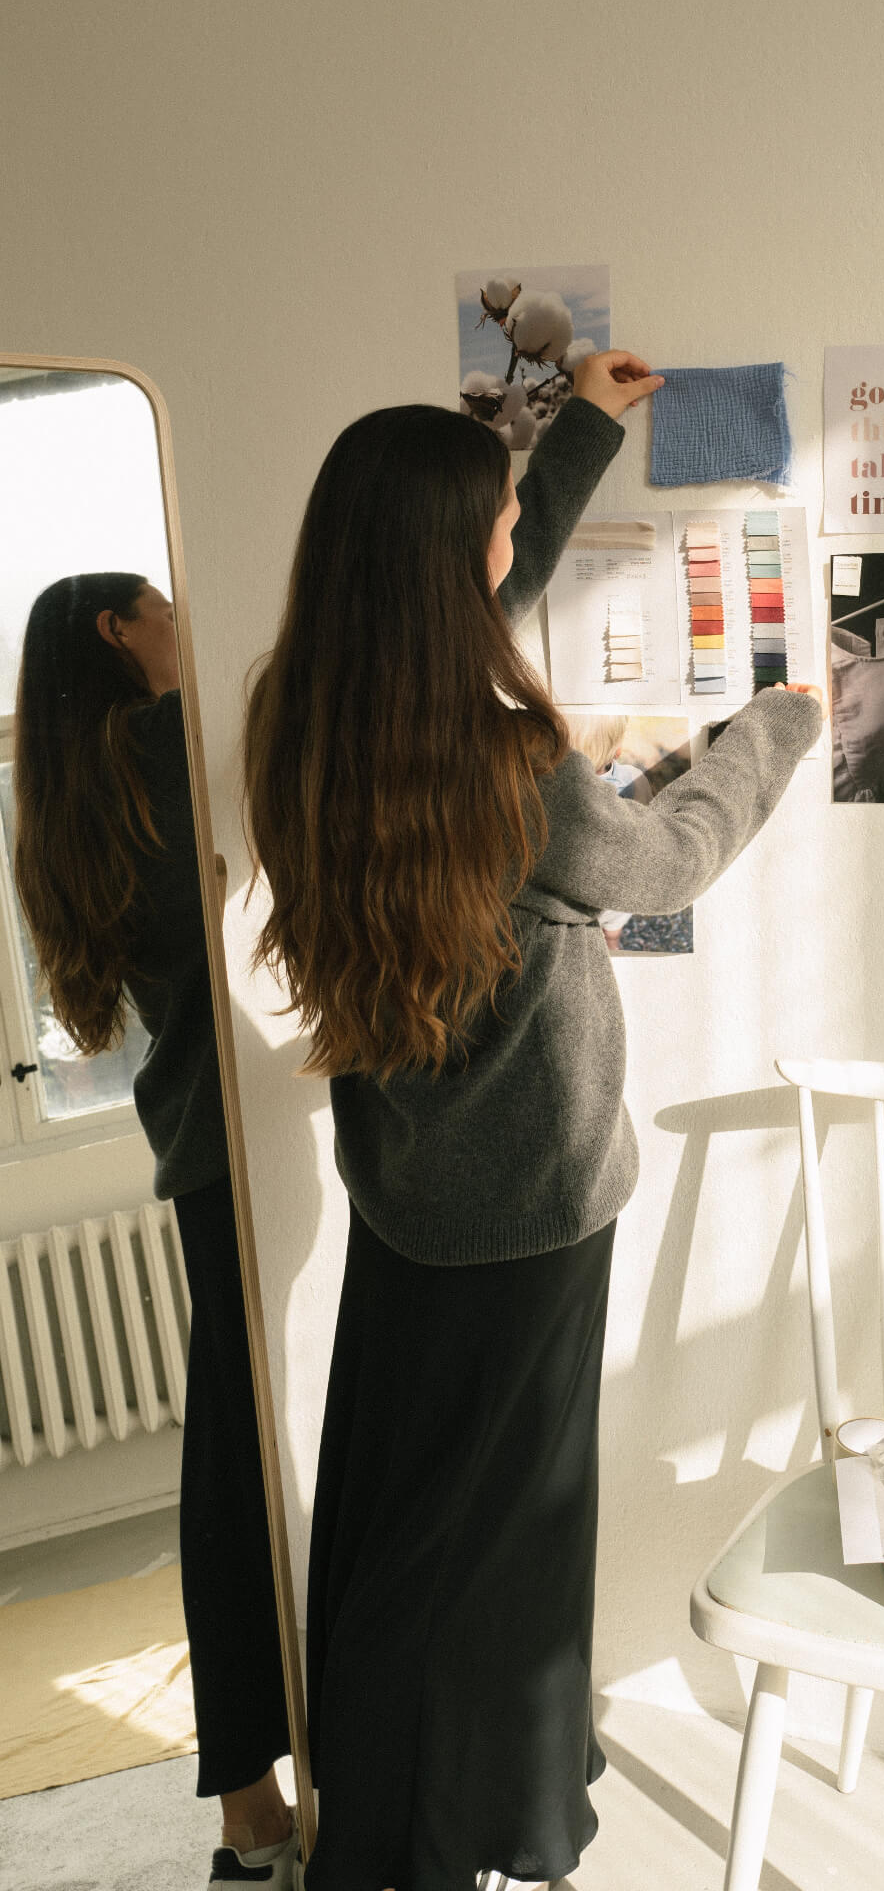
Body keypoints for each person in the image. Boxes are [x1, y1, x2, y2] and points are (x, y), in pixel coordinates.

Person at [241, 349, 823, 1890]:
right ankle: (451, 1835)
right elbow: (668, 861)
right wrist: (779, 724)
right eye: (500, 524)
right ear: (451, 560)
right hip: (536, 1211)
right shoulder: (510, 768)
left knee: (407, 1524)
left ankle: (403, 1810)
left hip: (410, 1201)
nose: (514, 543)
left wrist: (575, 431)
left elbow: (469, 593)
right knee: (493, 1550)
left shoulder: (308, 713)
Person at [12, 574, 296, 1888]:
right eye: (165, 606)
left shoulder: (84, 788)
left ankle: (253, 1801)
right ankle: (247, 1816)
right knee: (240, 1478)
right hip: (239, 1156)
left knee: (237, 1471)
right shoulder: (154, 756)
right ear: (119, 637)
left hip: (203, 1152)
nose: (188, 617)